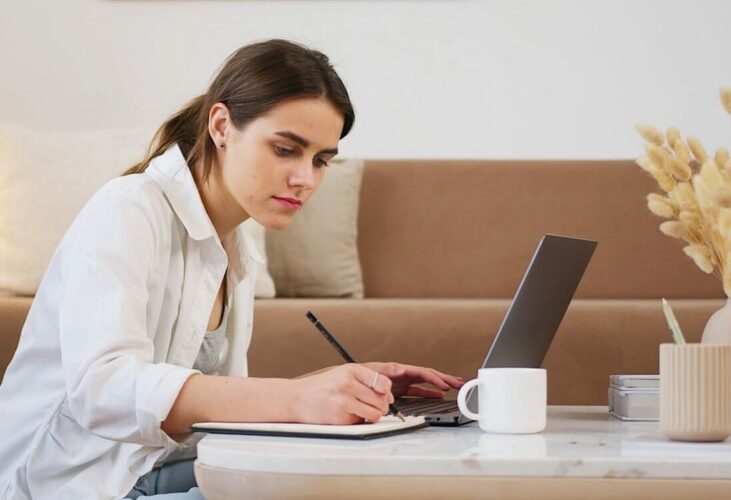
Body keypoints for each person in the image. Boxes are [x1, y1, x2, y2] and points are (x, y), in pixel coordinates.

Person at [0, 39, 463, 499]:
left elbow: (217, 401)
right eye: (286, 149)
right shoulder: (129, 208)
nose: (306, 179)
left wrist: (340, 390)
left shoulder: (234, 247)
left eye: (321, 160)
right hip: (78, 482)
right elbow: (103, 390)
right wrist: (297, 400)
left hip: (158, 467)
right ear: (221, 126)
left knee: (351, 480)